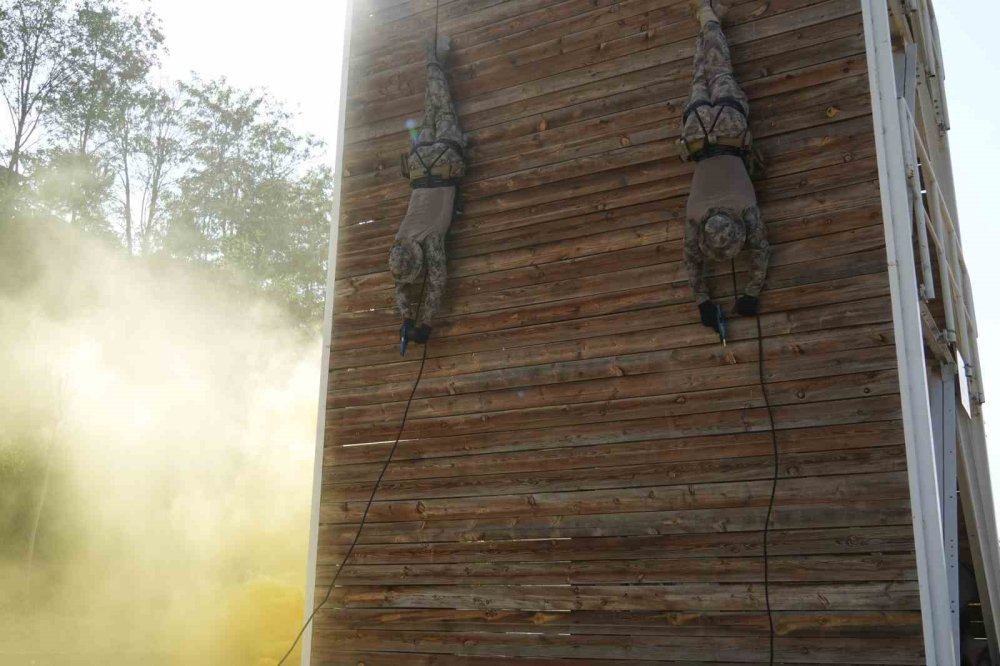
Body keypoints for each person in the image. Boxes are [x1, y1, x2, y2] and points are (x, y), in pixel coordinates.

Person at [680, 0, 770, 335]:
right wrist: (703, 299)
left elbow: (761, 250)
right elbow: (692, 263)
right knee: (701, 73)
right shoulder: (695, 215)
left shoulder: (746, 208)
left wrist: (751, 292)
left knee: (718, 69)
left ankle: (709, 19)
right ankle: (707, 20)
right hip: (696, 131)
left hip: (729, 127)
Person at [388, 35, 465, 351]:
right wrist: (406, 320)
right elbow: (400, 286)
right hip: (420, 163)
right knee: (432, 106)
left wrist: (423, 326)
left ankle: (433, 56)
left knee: (442, 105)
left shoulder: (431, 239)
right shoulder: (401, 239)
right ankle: (433, 60)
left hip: (444, 159)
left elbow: (436, 282)